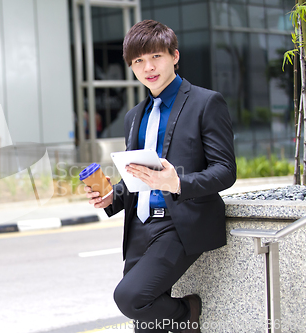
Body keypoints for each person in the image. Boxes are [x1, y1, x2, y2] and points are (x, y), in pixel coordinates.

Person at [85, 20, 236, 333]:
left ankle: (187, 313)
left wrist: (177, 183)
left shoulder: (206, 103)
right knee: (147, 324)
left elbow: (225, 171)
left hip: (180, 224)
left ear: (175, 56)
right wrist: (113, 196)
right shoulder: (134, 115)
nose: (148, 67)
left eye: (156, 57)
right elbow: (138, 178)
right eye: (138, 61)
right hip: (140, 226)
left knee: (130, 298)